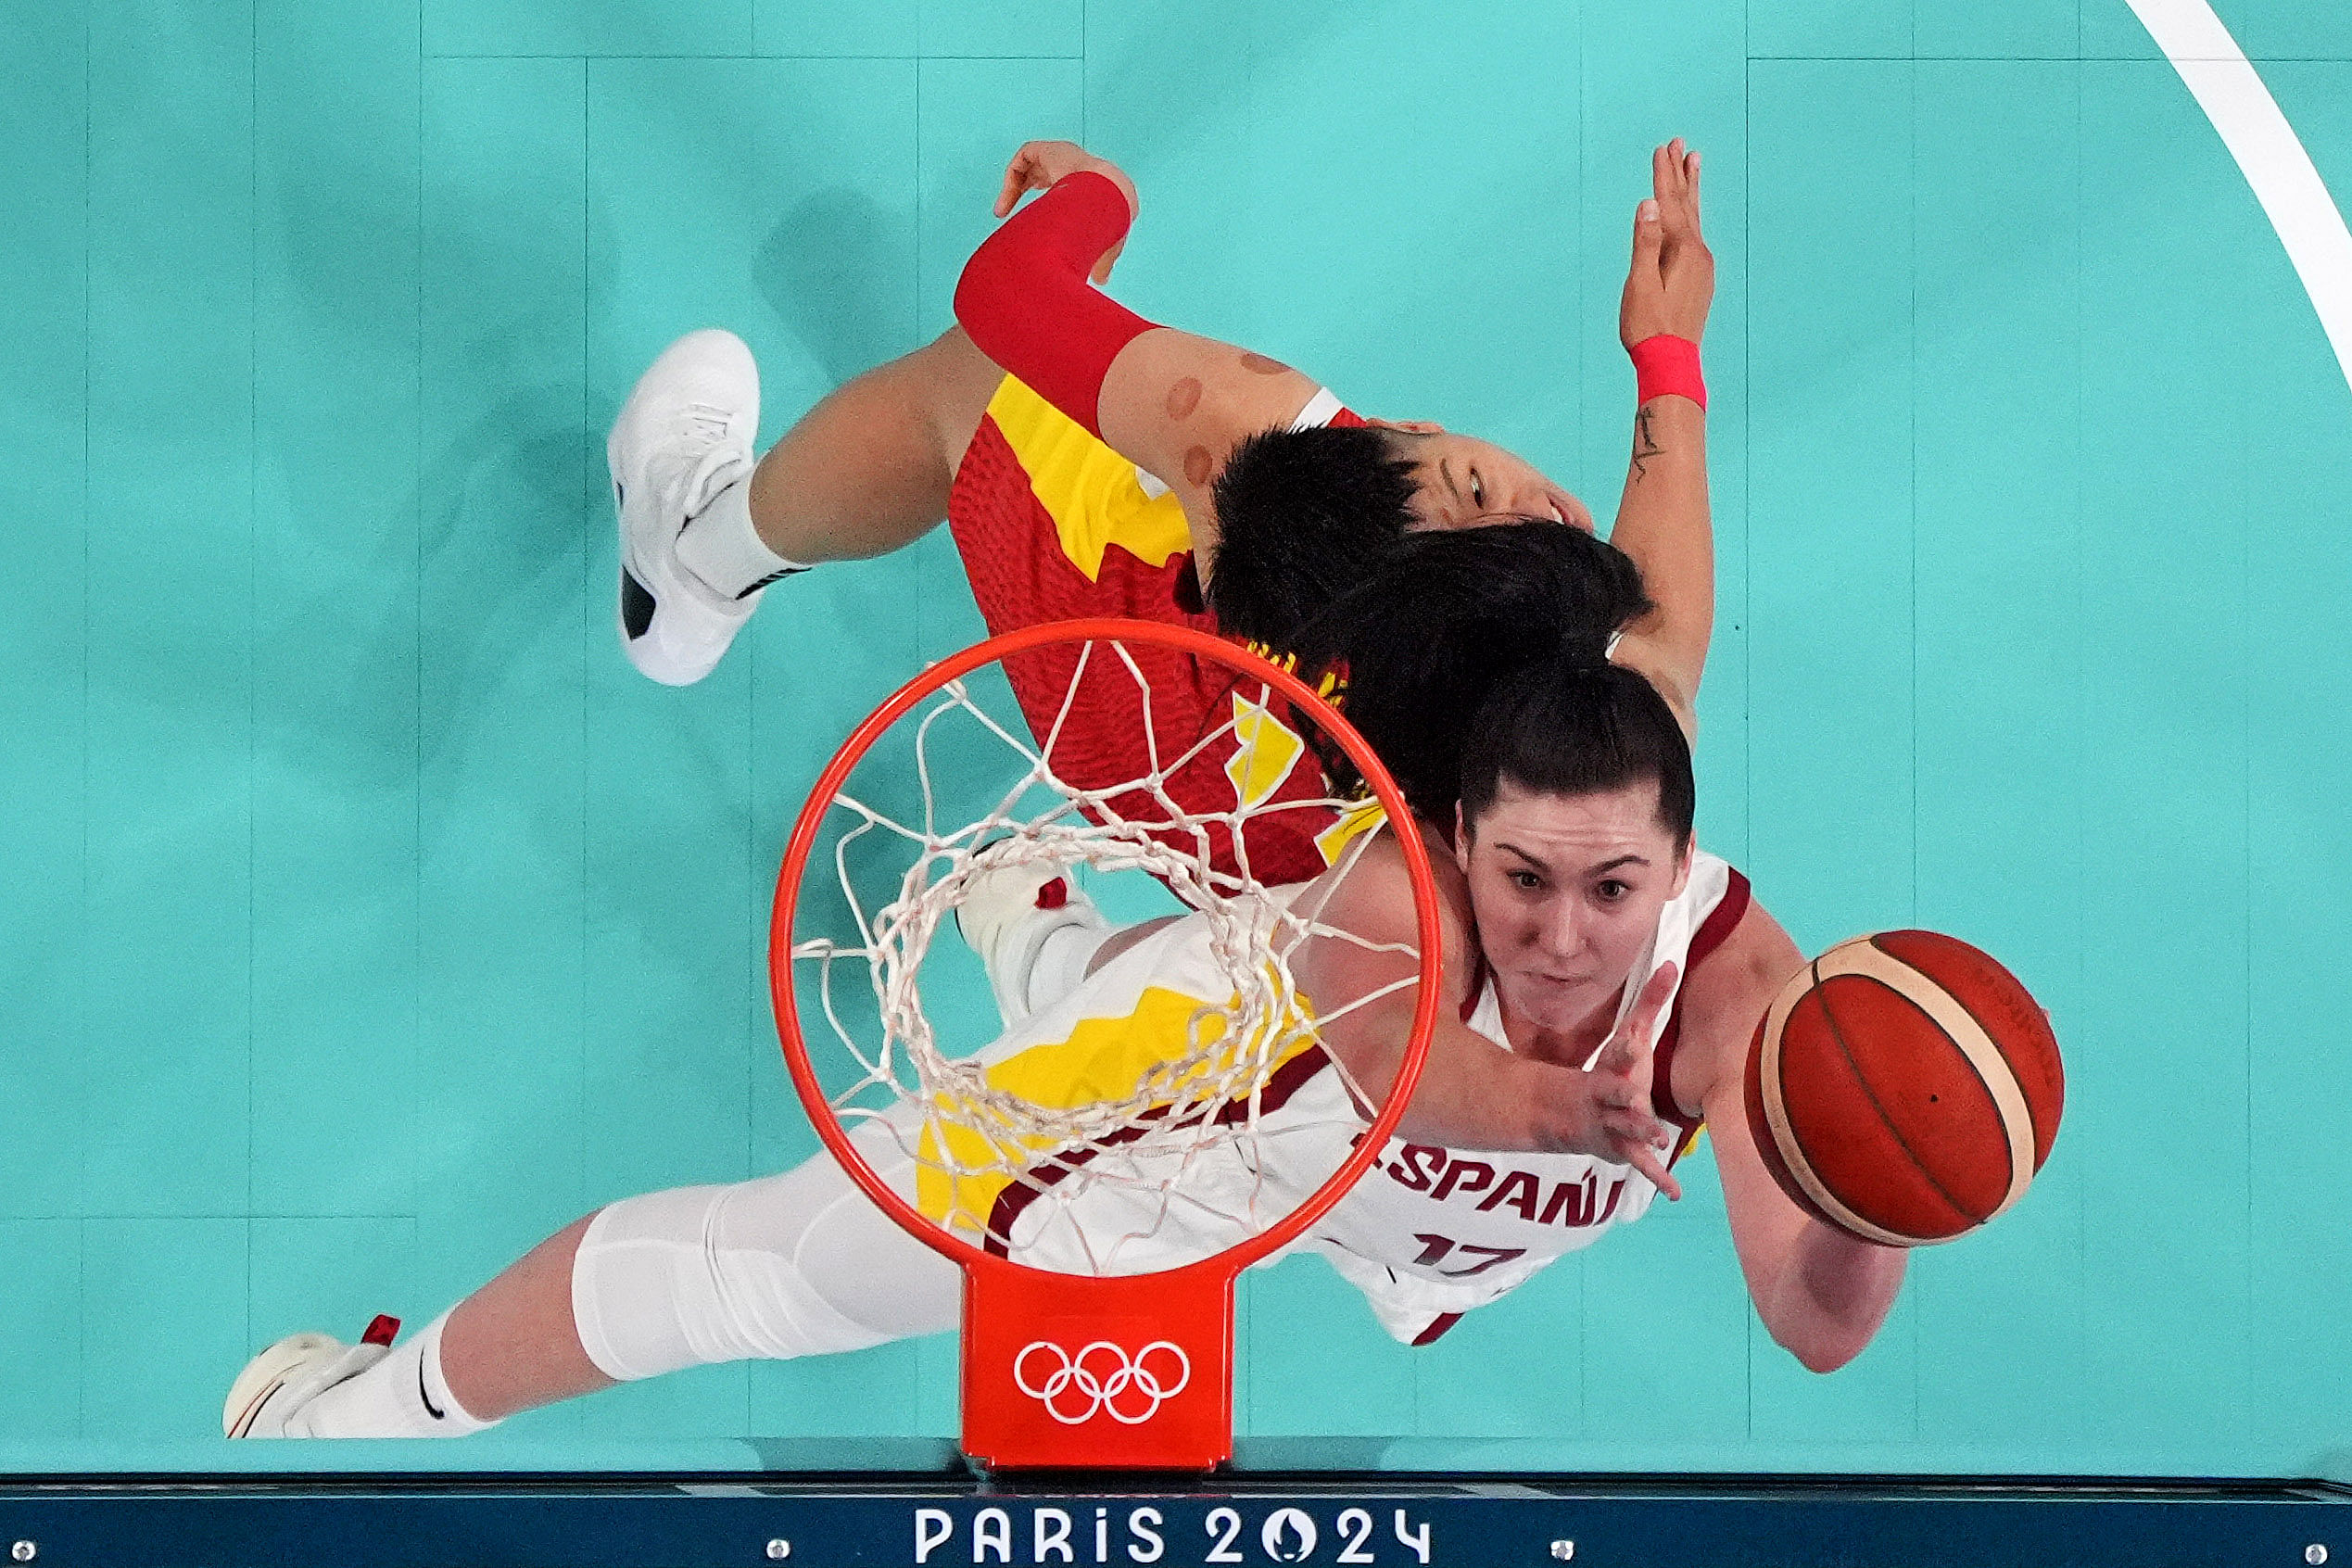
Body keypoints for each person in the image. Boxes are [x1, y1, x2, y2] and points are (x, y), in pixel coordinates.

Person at [221, 523, 1906, 1442]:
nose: (1557, 933)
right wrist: (1564, 1102)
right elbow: (1415, 1069)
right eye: (1517, 880)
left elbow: (1812, 1323)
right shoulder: (1391, 904)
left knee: (1158, 1012)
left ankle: (1035, 926)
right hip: (1205, 1107)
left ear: (1672, 850)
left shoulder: (1745, 992)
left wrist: (1893, 1161)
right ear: (1457, 831)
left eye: (1610, 887)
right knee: (777, 1273)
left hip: (1389, 1211)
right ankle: (364, 1406)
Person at [609, 137, 1718, 885]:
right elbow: (1663, 635)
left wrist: (1099, 198)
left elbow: (1007, 303)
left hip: (1144, 734)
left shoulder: (1262, 436)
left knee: (979, 386)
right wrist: (1665, 354)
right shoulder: (1574, 776)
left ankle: (696, 559)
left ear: (1410, 430)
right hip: (1272, 885)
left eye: (1486, 501)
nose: (1535, 510)